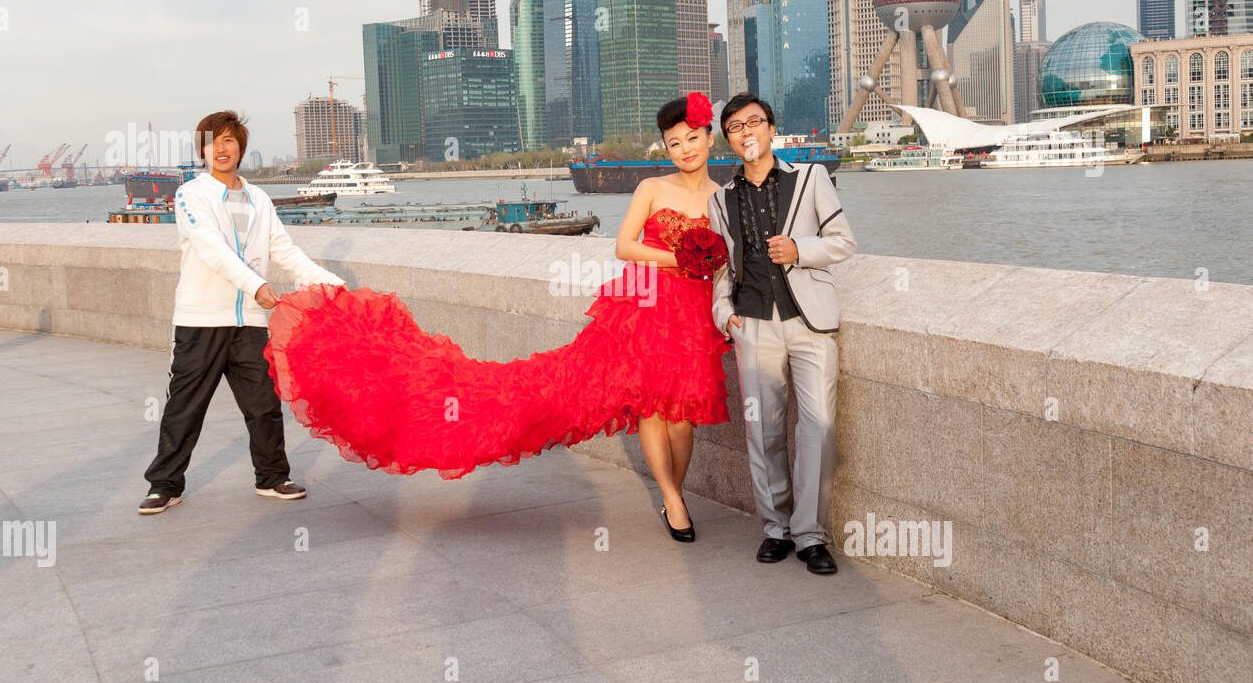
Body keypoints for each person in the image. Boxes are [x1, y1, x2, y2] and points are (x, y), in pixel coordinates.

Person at [262, 93, 731, 542]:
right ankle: (673, 500)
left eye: (692, 138)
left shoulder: (723, 197)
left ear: (710, 138)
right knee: (651, 406)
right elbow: (624, 246)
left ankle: (676, 490)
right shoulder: (652, 187)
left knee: (682, 414)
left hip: (693, 315)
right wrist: (681, 258)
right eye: (674, 141)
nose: (684, 148)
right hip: (644, 309)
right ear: (665, 147)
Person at [139, 111, 346, 514]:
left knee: (263, 404)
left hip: (249, 322)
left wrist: (330, 285)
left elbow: (283, 251)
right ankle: (164, 485)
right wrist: (257, 285)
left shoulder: (259, 199)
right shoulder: (191, 195)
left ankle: (272, 477)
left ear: (241, 149)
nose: (222, 148)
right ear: (202, 149)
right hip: (201, 321)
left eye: (230, 141)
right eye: (214, 141)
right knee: (185, 407)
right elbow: (213, 251)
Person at [707, 93, 857, 574]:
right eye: (735, 126)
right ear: (727, 140)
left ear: (772, 129)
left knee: (817, 429)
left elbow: (843, 243)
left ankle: (811, 535)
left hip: (809, 322)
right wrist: (721, 312)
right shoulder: (719, 199)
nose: (747, 131)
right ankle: (776, 528)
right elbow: (721, 271)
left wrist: (799, 249)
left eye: (755, 122)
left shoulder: (811, 177)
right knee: (763, 432)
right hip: (752, 323)